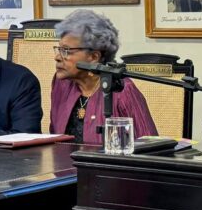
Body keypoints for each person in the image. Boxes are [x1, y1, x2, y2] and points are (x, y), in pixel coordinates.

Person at [49, 10, 157, 143]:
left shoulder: (122, 90)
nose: (57, 57)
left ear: (94, 57)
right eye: (59, 49)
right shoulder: (62, 84)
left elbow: (149, 144)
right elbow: (54, 139)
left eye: (66, 51)